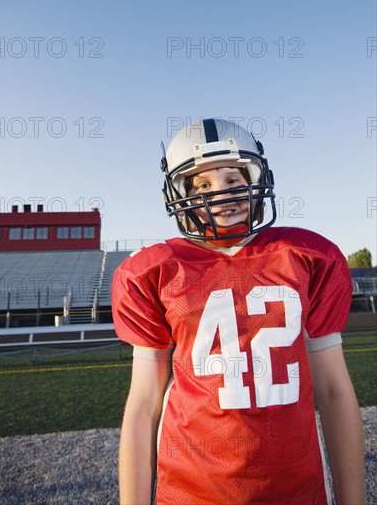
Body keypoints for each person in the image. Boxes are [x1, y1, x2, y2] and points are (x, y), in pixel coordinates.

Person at [112, 118, 365, 505]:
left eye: (233, 179)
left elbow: (333, 390)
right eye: (204, 184)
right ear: (179, 193)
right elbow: (144, 403)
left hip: (297, 487)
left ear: (255, 180)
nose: (222, 193)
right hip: (191, 487)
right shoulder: (156, 269)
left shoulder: (308, 256)